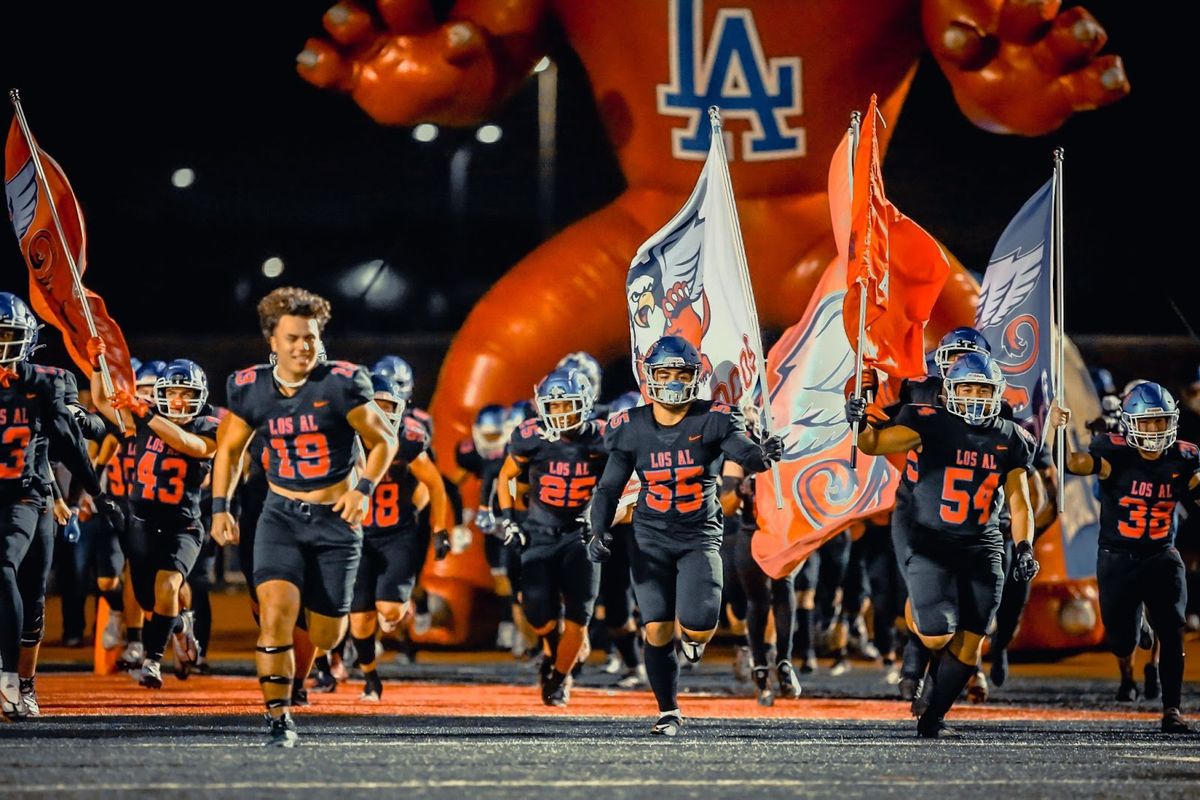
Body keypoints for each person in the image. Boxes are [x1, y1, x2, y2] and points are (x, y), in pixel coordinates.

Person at [208, 287, 398, 747]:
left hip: (336, 517)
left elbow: (384, 441)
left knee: (327, 635)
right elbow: (230, 451)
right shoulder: (250, 386)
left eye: (310, 337)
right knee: (274, 615)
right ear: (272, 340)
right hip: (281, 514)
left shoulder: (341, 382)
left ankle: (312, 662)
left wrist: (364, 489)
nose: (303, 347)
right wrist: (220, 507)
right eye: (293, 337)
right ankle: (278, 717)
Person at [587, 335, 783, 736]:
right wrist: (599, 529)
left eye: (682, 373)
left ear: (695, 377)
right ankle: (668, 711)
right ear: (650, 377)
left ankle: (693, 638)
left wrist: (761, 454)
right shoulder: (631, 427)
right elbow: (608, 488)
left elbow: (741, 450)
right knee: (656, 628)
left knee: (698, 625)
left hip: (698, 536)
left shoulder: (713, 418)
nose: (674, 381)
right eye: (666, 373)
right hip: (650, 539)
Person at [847, 352, 1039, 737]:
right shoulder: (928, 422)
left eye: (981, 389)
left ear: (996, 393)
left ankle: (932, 718)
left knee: (971, 642)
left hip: (982, 547)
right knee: (937, 631)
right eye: (965, 387)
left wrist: (1024, 547)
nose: (973, 396)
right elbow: (874, 445)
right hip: (931, 539)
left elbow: (1019, 500)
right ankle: (916, 648)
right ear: (949, 390)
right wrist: (859, 419)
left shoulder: (1012, 436)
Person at [0, 293, 122, 720]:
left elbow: (78, 437)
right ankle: (9, 679)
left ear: (26, 341)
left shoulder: (46, 382)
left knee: (33, 595)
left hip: (28, 494)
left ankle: (24, 683)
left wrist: (95, 490)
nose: (1, 346)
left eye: (7, 336)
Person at [1053, 382, 1197, 733]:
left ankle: (1172, 709)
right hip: (1117, 558)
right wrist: (1055, 430)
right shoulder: (1113, 453)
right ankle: (1135, 637)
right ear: (1130, 424)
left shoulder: (1184, 457)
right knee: (1121, 639)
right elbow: (1072, 463)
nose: (1154, 431)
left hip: (1162, 555)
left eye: (1160, 423)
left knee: (1172, 631)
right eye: (1146, 423)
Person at [90, 354, 219, 689]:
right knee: (150, 603)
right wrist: (95, 364)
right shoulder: (145, 420)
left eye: (187, 394)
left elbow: (188, 444)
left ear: (200, 397)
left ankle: (152, 662)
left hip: (182, 526)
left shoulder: (208, 425)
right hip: (142, 523)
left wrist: (145, 411)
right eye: (173, 392)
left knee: (169, 587)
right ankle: (179, 627)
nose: (178, 400)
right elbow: (103, 402)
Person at [496, 366, 607, 706]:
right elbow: (506, 477)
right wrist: (510, 519)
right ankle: (552, 651)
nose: (560, 413)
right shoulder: (530, 436)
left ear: (586, 403)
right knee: (538, 612)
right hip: (540, 532)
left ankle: (559, 677)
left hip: (581, 535)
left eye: (567, 405)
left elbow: (625, 481)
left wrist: (603, 516)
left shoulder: (603, 437)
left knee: (578, 615)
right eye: (554, 406)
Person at [349, 373, 448, 701]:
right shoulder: (344, 435)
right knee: (359, 621)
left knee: (389, 611)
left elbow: (434, 484)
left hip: (397, 534)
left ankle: (401, 611)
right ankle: (370, 678)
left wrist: (440, 529)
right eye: (374, 405)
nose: (380, 413)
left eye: (387, 406)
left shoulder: (408, 438)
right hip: (357, 536)